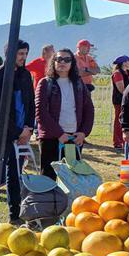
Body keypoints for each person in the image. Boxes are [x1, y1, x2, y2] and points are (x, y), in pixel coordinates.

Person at [0, 40, 34, 225]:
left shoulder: (25, 75)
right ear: (10, 54)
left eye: (25, 53)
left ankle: (15, 215)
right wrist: (18, 131)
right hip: (1, 135)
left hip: (21, 135)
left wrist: (29, 128)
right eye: (20, 53)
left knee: (15, 176)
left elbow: (30, 104)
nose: (23, 57)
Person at [35, 49, 95, 179]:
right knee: (49, 178)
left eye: (67, 59)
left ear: (72, 63)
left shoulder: (78, 83)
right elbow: (40, 113)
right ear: (53, 62)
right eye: (59, 59)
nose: (62, 62)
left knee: (72, 178)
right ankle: (50, 200)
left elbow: (89, 110)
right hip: (51, 138)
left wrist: (84, 132)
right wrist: (59, 134)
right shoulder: (45, 83)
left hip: (74, 137)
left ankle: (68, 201)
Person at [111, 56, 129, 149]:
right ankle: (117, 142)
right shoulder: (117, 73)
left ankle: (125, 142)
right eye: (128, 61)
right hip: (119, 100)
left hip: (128, 100)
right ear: (123, 62)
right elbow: (121, 89)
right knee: (119, 121)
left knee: (126, 121)